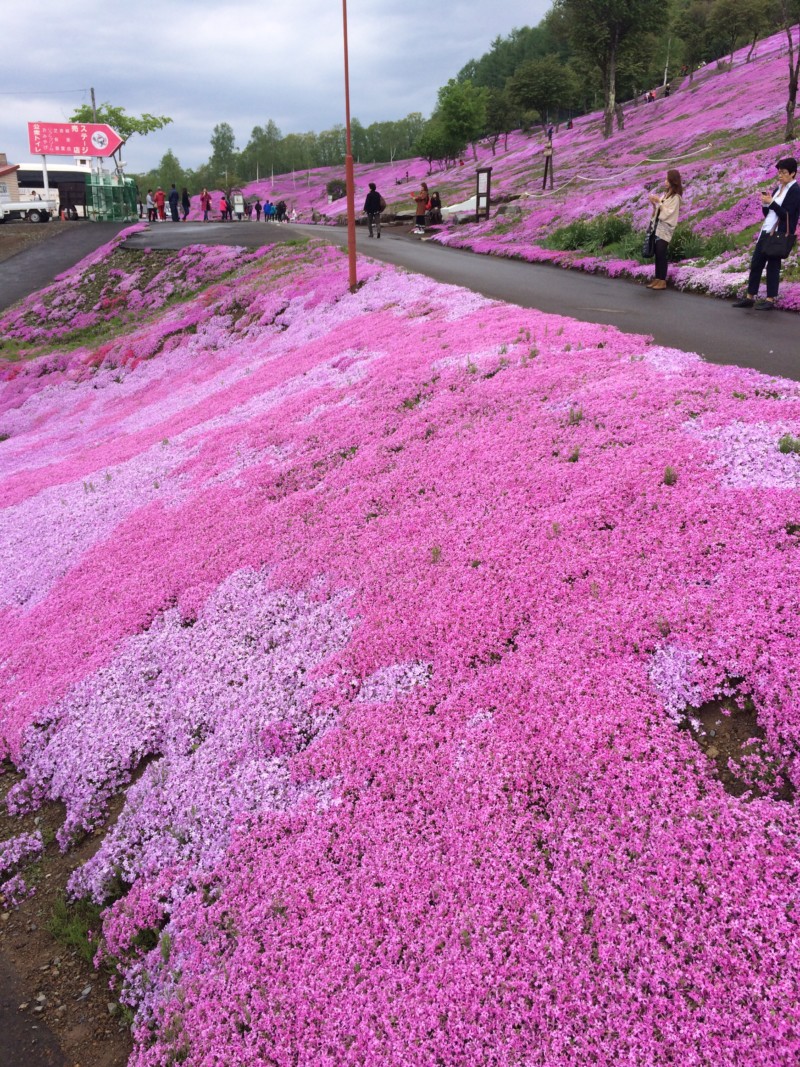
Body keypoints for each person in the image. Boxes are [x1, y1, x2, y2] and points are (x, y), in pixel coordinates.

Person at [732, 157, 800, 310]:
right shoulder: (778, 189)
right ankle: (750, 297)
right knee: (756, 263)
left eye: (783, 173)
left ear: (793, 174)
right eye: (779, 172)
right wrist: (765, 203)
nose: (780, 175)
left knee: (773, 266)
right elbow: (769, 213)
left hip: (778, 234)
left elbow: (786, 215)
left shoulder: (795, 191)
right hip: (766, 230)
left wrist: (772, 203)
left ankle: (770, 299)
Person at [645, 168, 683, 290]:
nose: (665, 182)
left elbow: (669, 213)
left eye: (667, 179)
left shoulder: (676, 197)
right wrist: (654, 203)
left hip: (665, 229)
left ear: (673, 181)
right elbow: (660, 209)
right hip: (658, 227)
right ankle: (657, 278)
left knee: (662, 254)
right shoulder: (666, 195)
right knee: (657, 254)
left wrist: (659, 203)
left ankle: (663, 280)